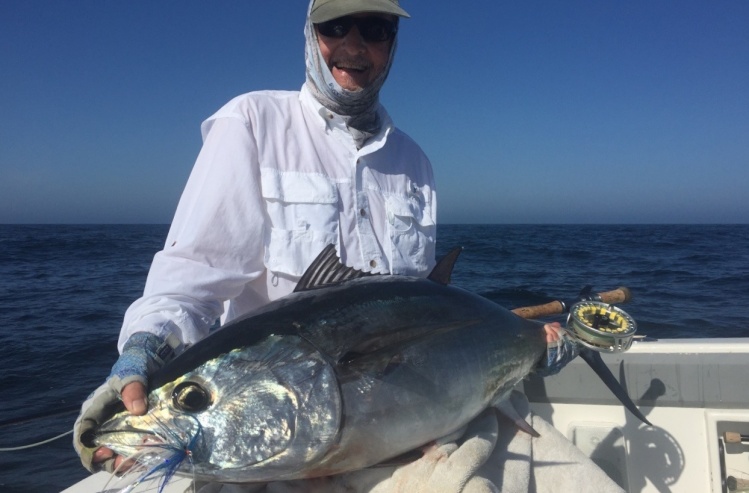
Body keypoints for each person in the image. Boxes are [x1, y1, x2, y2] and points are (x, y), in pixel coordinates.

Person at [73, 0, 579, 482]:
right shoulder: (251, 123)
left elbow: (424, 306)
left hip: (406, 433)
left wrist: (525, 343)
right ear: (310, 35)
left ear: (393, 42)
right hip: (290, 444)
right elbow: (191, 277)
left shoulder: (414, 162)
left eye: (375, 29)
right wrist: (144, 352)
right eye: (335, 27)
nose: (354, 45)